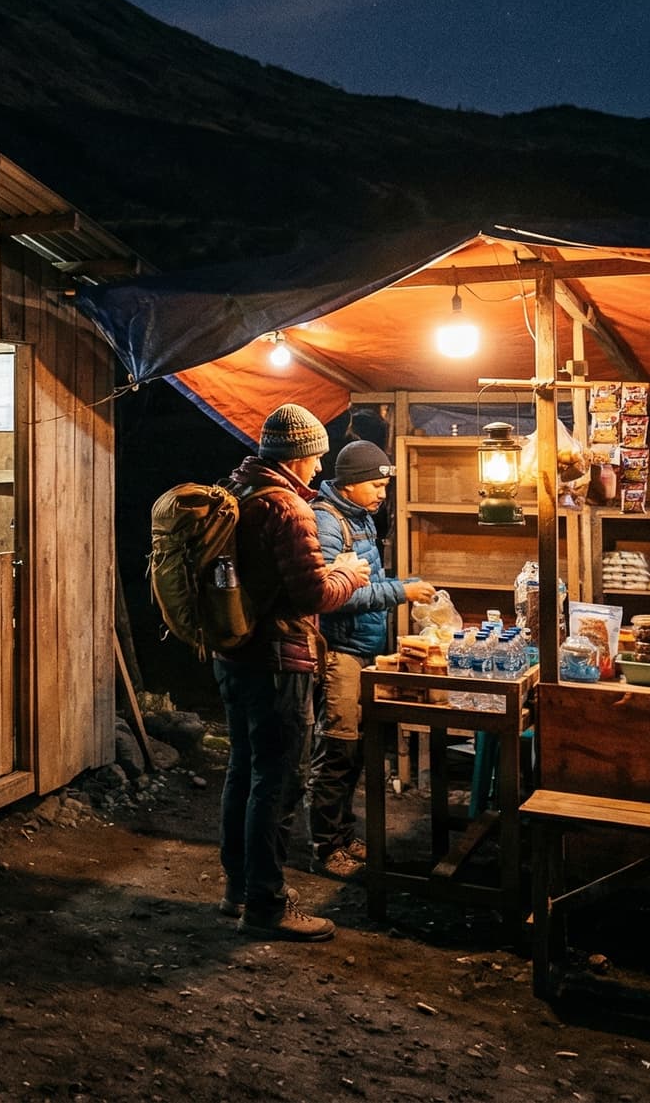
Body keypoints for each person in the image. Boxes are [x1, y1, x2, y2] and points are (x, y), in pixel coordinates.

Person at [214, 403, 370, 941]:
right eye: (317, 458)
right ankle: (268, 903)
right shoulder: (288, 509)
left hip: (233, 655)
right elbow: (313, 593)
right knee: (278, 782)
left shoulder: (236, 492)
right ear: (298, 455)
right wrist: (347, 573)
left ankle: (239, 886)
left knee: (244, 772)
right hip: (280, 661)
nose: (321, 471)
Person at [308, 440, 435, 877]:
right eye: (377, 484)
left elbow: (367, 582)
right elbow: (333, 597)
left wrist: (406, 584)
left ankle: (343, 835)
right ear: (353, 483)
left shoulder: (360, 520)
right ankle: (325, 847)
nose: (383, 492)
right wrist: (401, 591)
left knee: (358, 751)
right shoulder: (328, 523)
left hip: (365, 652)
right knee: (338, 751)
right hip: (340, 654)